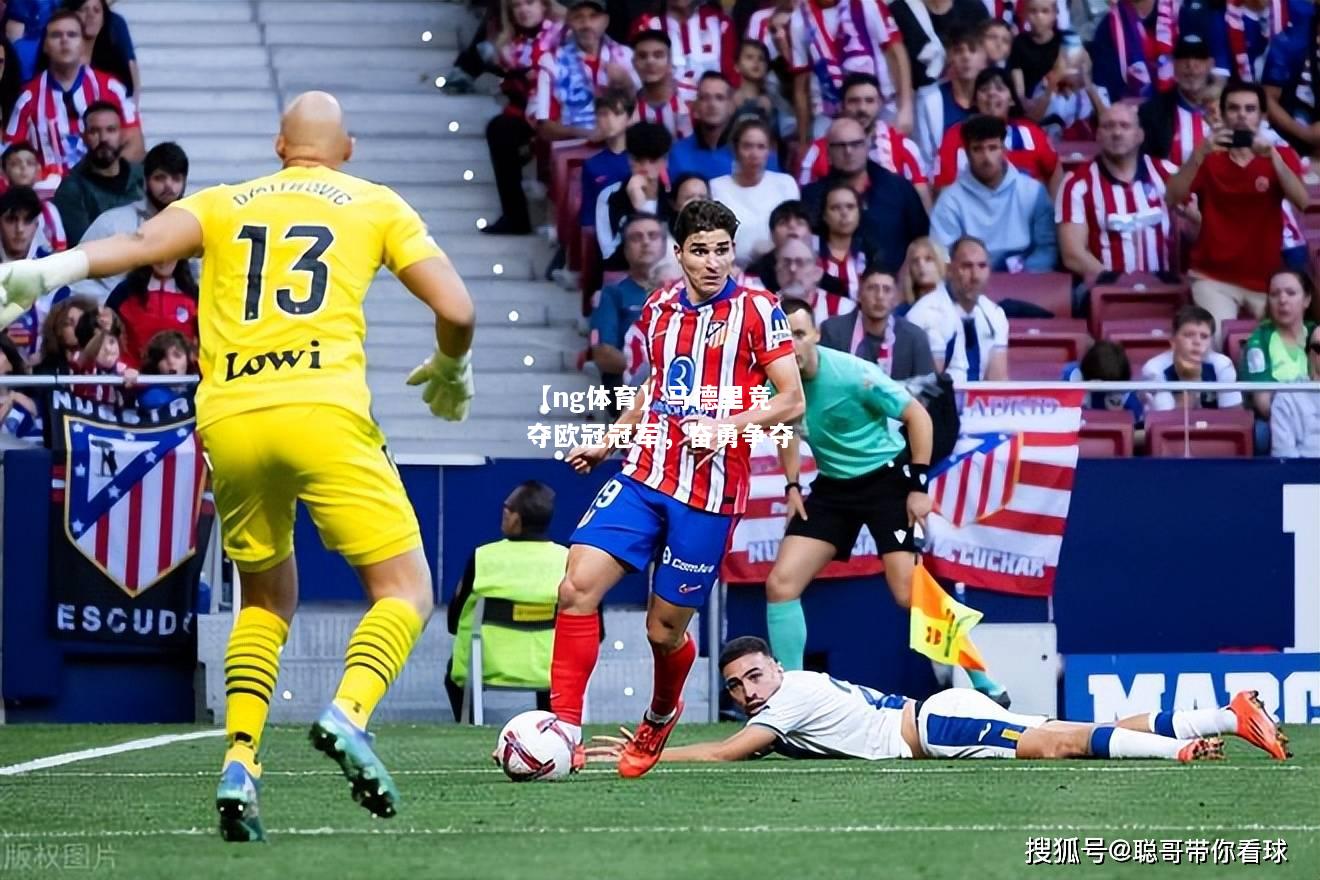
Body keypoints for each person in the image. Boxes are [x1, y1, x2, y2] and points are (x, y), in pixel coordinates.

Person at [0, 91, 477, 843]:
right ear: (345, 149)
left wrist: (48, 272)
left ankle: (241, 763)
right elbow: (458, 308)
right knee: (405, 588)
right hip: (324, 410)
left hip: (230, 417)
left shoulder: (225, 201)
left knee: (263, 602)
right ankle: (349, 714)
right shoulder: (374, 203)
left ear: (279, 145)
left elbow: (142, 245)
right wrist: (452, 367)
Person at [552, 198, 805, 779]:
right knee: (576, 587)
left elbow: (791, 400)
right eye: (700, 251)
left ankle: (662, 712)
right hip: (643, 472)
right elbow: (652, 388)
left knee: (662, 630)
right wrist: (610, 439)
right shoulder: (660, 307)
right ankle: (564, 729)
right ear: (678, 253)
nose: (713, 262)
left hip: (710, 494)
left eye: (722, 250)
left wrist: (727, 427)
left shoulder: (760, 310)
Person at [586, 636, 1291, 764]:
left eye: (753, 677)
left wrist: (652, 754)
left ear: (776, 668)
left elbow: (728, 749)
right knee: (1083, 729)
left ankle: (1180, 747)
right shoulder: (787, 695)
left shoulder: (790, 696)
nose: (745, 692)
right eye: (737, 685)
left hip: (935, 724)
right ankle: (1230, 714)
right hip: (937, 717)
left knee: (1059, 743)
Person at [1166, 80, 1310, 345]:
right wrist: (1199, 153)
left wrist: (1273, 158)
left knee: (1284, 346)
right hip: (1213, 277)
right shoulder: (1207, 156)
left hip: (1266, 280)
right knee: (1216, 342)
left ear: (1262, 116)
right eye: (1233, 108)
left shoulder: (1281, 155)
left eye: (1249, 109)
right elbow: (1172, 197)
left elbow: (1302, 201)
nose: (1242, 114)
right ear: (1222, 114)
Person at [444, 481, 569, 721]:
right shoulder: (568, 560)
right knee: (551, 680)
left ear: (517, 518)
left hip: (484, 666)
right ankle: (553, 729)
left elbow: (454, 621)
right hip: (553, 672)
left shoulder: (483, 558)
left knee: (452, 677)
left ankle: (469, 727)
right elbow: (596, 629)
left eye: (507, 511)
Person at [929, 114, 1057, 273]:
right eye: (977, 149)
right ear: (967, 153)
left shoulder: (1033, 191)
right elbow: (942, 256)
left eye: (992, 148)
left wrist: (1024, 277)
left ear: (1004, 150)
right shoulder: (950, 200)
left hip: (1026, 281)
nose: (986, 157)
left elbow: (1047, 249)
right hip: (970, 281)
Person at [71, 140, 189, 300]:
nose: (168, 185)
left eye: (176, 178)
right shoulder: (112, 223)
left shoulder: (193, 228)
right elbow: (77, 274)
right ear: (146, 181)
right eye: (160, 178)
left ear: (184, 183)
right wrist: (110, 308)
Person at [905, 235, 1009, 380]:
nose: (975, 276)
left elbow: (998, 382)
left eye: (982, 266)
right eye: (966, 266)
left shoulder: (995, 314)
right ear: (949, 269)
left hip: (978, 400)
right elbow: (927, 387)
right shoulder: (922, 315)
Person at [710, 116, 799, 268]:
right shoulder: (715, 187)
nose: (754, 154)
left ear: (769, 150)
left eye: (761, 147)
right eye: (747, 146)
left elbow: (796, 232)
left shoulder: (786, 183)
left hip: (781, 268)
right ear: (735, 149)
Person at [819, 264, 935, 378]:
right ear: (859, 294)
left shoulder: (914, 338)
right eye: (872, 288)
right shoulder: (832, 331)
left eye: (887, 290)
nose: (879, 296)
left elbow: (926, 389)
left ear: (895, 298)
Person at [50, 101, 142, 245]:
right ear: (84, 137)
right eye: (94, 131)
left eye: (111, 130)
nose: (103, 138)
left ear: (122, 135)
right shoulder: (71, 189)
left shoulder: (142, 177)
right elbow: (84, 249)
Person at [1243, 266, 1316, 423]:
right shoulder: (1258, 341)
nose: (1282, 300)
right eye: (1275, 294)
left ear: (1307, 300)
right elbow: (1263, 402)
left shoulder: (1316, 334)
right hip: (1282, 419)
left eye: (1291, 293)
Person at [1140, 305, 1243, 412]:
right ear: (1173, 341)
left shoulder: (1222, 365)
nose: (1197, 342)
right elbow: (1168, 421)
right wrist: (1190, 383)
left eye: (1204, 336)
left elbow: (1233, 416)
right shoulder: (1154, 369)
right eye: (1189, 335)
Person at [1269, 323, 1320, 457]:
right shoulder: (1287, 396)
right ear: (1309, 354)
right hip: (1305, 474)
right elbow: (1284, 457)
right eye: (1319, 348)